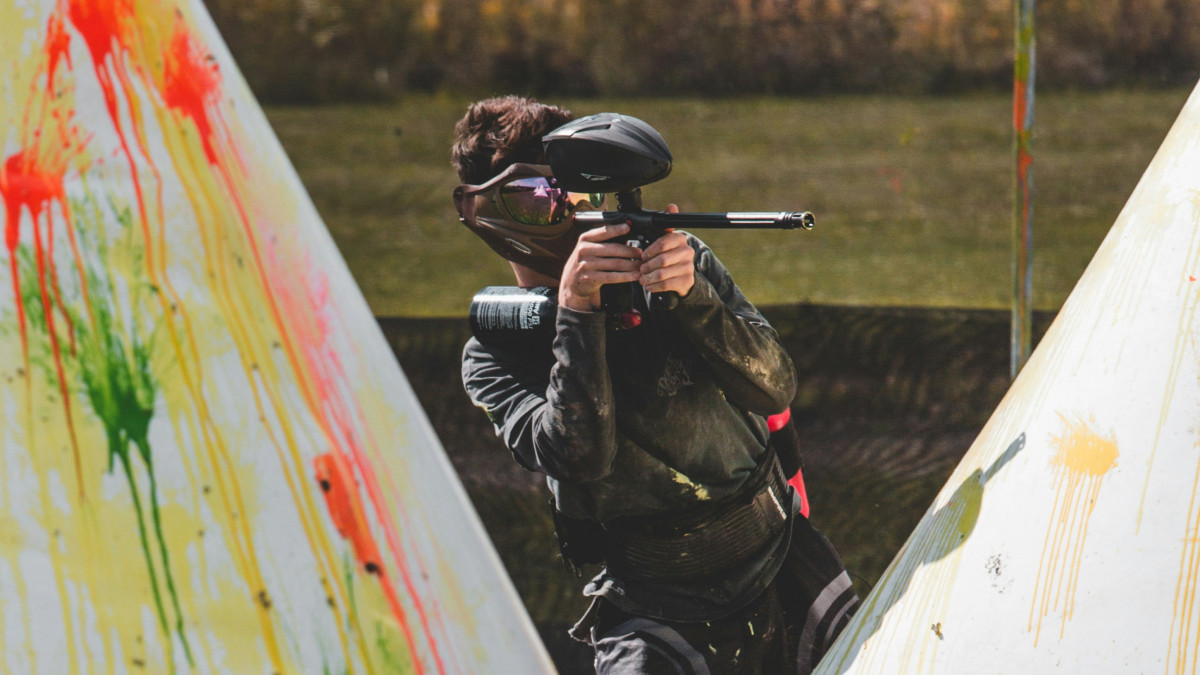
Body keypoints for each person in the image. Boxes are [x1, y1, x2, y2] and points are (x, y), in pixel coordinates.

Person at [454, 95, 859, 673]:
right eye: (539, 199)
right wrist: (577, 315)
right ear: (486, 212)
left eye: (577, 193)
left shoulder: (678, 264)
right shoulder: (494, 352)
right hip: (652, 612)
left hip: (786, 566)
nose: (569, 212)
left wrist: (694, 300)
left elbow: (774, 387)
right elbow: (580, 454)